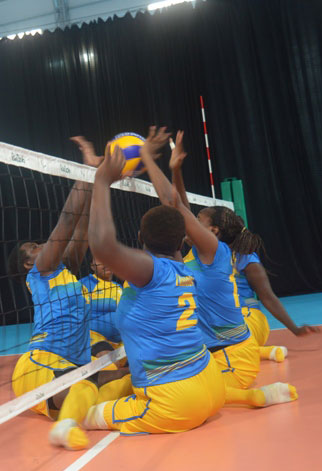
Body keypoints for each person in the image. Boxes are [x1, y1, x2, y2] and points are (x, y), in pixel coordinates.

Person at [81, 140, 226, 435]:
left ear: (139, 238)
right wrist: (152, 159)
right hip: (211, 383)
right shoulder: (187, 270)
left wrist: (102, 180)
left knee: (78, 413)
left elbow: (103, 246)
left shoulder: (151, 271)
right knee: (115, 384)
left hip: (175, 402)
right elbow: (176, 206)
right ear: (182, 240)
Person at [153, 128, 297, 407]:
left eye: (199, 219)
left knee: (196, 397)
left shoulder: (215, 255)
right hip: (214, 351)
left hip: (233, 354)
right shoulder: (198, 253)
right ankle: (261, 356)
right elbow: (180, 205)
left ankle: (256, 396)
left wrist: (151, 160)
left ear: (214, 231)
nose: (192, 222)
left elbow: (175, 206)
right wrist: (176, 170)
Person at [6, 137, 130, 451]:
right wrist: (88, 172)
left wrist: (95, 179)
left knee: (128, 380)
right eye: (33, 247)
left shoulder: (68, 269)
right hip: (40, 366)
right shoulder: (42, 269)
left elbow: (82, 224)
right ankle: (69, 424)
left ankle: (82, 416)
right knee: (83, 388)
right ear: (27, 262)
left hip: (76, 364)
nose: (41, 246)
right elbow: (67, 220)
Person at [234, 252, 321, 361]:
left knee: (222, 338)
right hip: (219, 320)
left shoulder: (244, 258)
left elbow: (268, 298)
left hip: (249, 319)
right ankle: (261, 352)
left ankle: (254, 351)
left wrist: (295, 329)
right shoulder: (206, 262)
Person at [80, 255, 123, 354]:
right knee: (109, 364)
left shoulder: (119, 287)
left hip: (121, 339)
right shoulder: (85, 283)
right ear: (92, 266)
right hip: (94, 337)